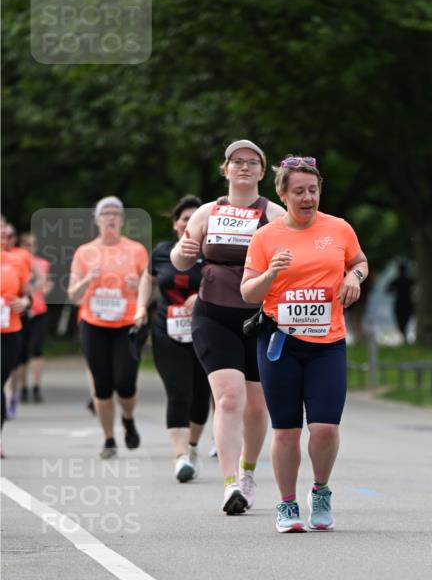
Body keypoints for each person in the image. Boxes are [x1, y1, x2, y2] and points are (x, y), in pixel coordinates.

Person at [241, 156, 368, 533]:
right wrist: (270, 273)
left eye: (313, 190)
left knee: (326, 427)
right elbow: (249, 292)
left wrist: (354, 277)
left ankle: (321, 491)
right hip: (280, 342)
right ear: (282, 194)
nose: (308, 197)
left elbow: (360, 261)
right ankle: (286, 504)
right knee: (286, 430)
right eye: (299, 191)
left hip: (327, 342)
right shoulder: (266, 236)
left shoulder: (339, 229)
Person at [171, 139, 284, 513]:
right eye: (237, 162)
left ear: (262, 172)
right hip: (213, 314)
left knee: (256, 406)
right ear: (226, 169)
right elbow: (181, 259)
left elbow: (295, 258)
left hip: (259, 319)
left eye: (253, 162)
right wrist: (184, 253)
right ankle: (230, 484)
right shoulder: (207, 212)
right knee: (229, 398)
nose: (245, 167)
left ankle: (248, 472)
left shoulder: (274, 214)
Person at [135, 195, 210, 482]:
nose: (189, 223)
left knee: (200, 397)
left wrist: (200, 296)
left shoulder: (213, 254)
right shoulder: (163, 252)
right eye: (184, 219)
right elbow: (147, 278)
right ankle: (180, 458)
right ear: (176, 224)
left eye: (195, 219)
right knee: (179, 393)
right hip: (167, 331)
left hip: (205, 331)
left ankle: (191, 447)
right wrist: (141, 306)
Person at [67, 197, 148, 458]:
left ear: (122, 220)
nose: (111, 217)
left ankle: (128, 417)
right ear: (98, 220)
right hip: (94, 323)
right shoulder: (84, 252)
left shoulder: (136, 250)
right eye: (106, 213)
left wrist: (138, 286)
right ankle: (109, 439)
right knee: (102, 385)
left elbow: (149, 288)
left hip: (127, 323)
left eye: (116, 213)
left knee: (125, 383)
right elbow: (73, 295)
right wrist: (88, 280)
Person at [1, 224, 31, 452]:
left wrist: (24, 303)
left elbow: (27, 294)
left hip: (9, 330)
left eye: (7, 233)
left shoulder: (17, 261)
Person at [16, 232, 52, 403]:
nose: (31, 248)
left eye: (34, 245)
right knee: (22, 353)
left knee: (37, 349)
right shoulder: (15, 263)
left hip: (39, 311)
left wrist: (47, 286)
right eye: (28, 245)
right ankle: (23, 388)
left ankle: (36, 387)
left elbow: (46, 285)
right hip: (21, 312)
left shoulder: (43, 264)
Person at [387, 261, 414, 343]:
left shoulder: (396, 280)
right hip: (408, 303)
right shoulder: (410, 280)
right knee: (406, 321)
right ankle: (405, 336)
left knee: (400, 321)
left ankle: (404, 336)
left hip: (399, 303)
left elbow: (388, 290)